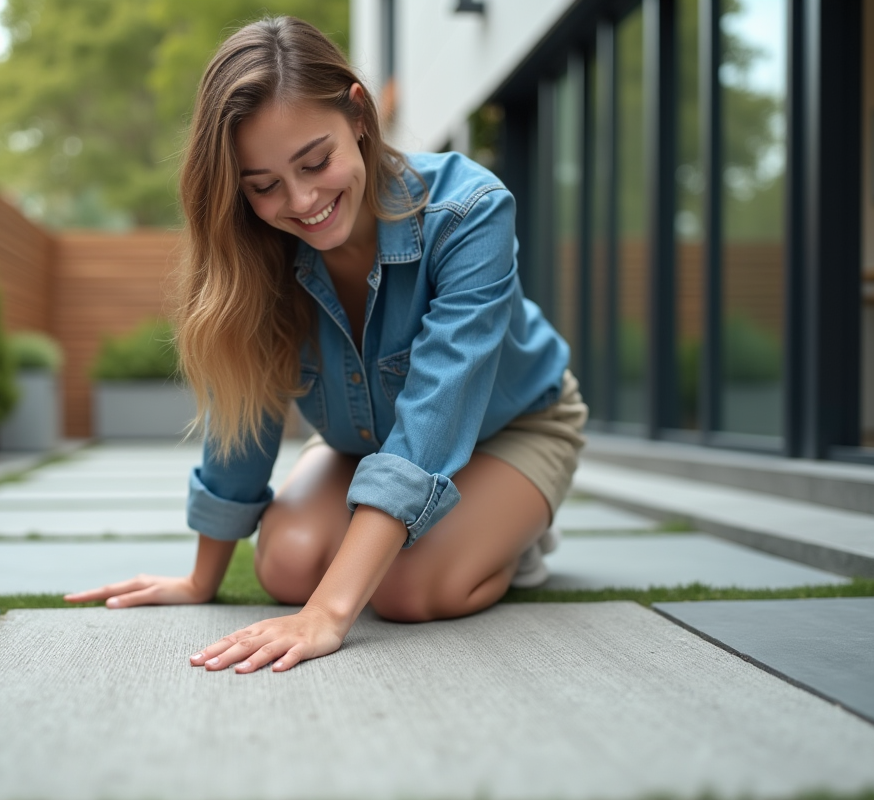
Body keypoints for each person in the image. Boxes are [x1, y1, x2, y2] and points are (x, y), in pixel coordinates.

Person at [64, 16, 587, 673]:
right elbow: (245, 416)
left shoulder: (470, 212)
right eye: (264, 185)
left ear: (359, 115)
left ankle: (513, 539)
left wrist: (330, 614)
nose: (303, 200)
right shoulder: (254, 255)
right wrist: (202, 581)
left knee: (405, 590)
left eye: (316, 161)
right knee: (285, 565)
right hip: (363, 439)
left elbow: (434, 418)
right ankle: (420, 533)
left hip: (510, 426)